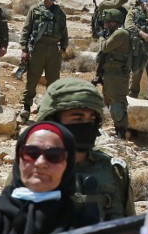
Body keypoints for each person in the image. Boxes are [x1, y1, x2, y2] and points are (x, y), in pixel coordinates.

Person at [35, 77, 134, 221]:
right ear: (53, 123)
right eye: (77, 118)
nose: (86, 125)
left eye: (91, 119)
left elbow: (131, 230)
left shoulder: (115, 171)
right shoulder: (32, 171)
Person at [19, 0, 68, 122]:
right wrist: (24, 49)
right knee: (32, 78)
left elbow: (64, 32)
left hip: (54, 49)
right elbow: (26, 30)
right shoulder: (35, 10)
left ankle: (50, 109)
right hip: (37, 48)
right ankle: (26, 108)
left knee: (53, 80)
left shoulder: (60, 12)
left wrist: (63, 48)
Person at [94, 8, 132, 140]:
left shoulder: (120, 34)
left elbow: (105, 47)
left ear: (114, 22)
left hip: (117, 74)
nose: (105, 25)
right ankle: (118, 130)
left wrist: (100, 36)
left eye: (107, 22)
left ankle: (121, 132)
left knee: (117, 102)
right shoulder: (115, 33)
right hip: (110, 72)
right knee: (109, 101)